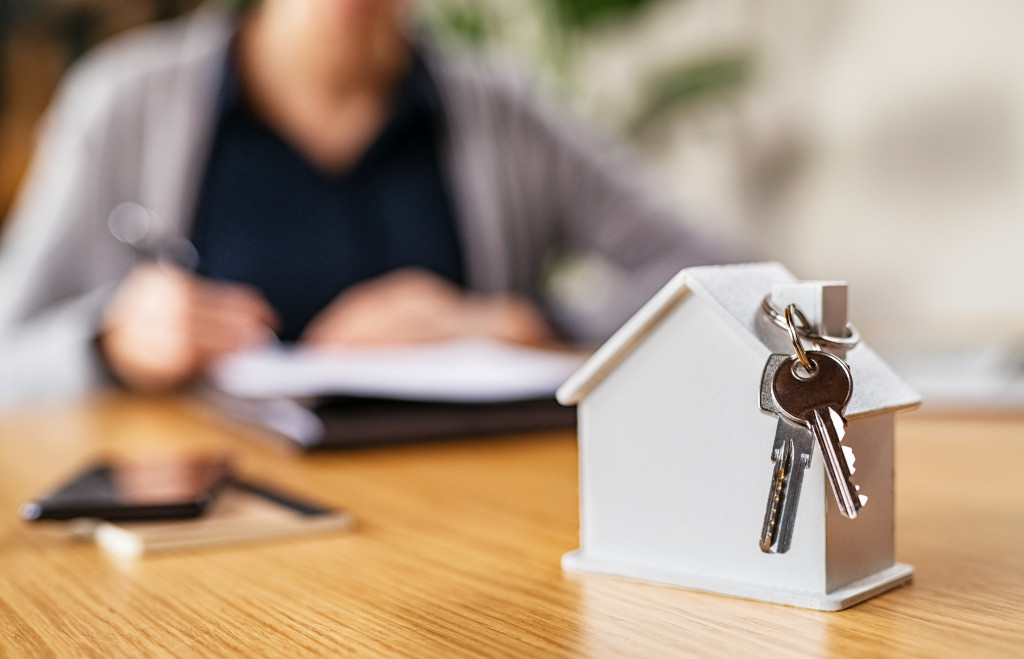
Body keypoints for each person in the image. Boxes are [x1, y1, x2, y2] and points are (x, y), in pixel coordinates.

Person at [0, 0, 736, 406]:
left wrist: (516, 322)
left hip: (465, 533)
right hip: (205, 533)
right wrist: (107, 340)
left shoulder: (504, 111)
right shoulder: (123, 104)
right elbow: (10, 356)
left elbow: (723, 278)